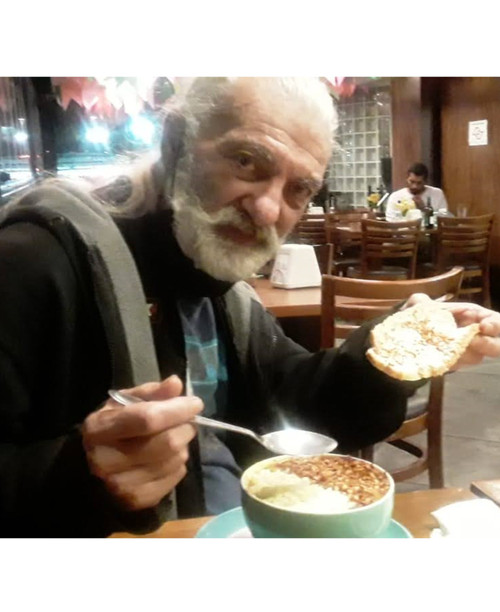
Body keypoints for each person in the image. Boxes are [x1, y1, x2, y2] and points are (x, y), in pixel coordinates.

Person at [1, 77, 499, 538]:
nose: (267, 209)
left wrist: (394, 354)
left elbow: (294, 401)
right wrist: (81, 475)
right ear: (175, 144)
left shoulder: (215, 282)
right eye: (245, 161)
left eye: (298, 189)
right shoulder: (31, 262)